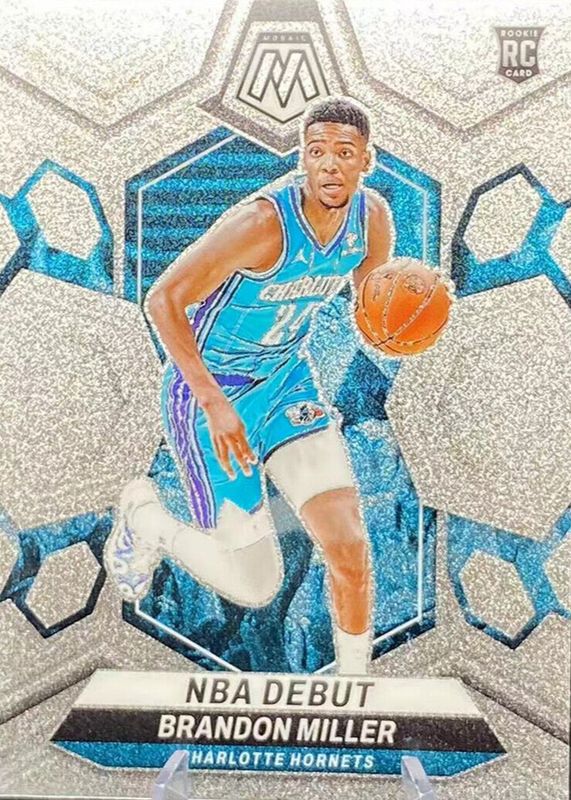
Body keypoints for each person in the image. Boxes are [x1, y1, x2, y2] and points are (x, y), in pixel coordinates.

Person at [104, 97, 394, 675]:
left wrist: (406, 320)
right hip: (210, 392)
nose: (329, 165)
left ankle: (357, 686)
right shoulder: (261, 225)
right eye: (317, 152)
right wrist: (214, 404)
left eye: (344, 153)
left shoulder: (372, 220)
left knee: (348, 546)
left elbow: (372, 312)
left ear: (367, 160)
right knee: (258, 585)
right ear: (302, 159)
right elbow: (162, 300)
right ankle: (148, 519)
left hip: (287, 380)